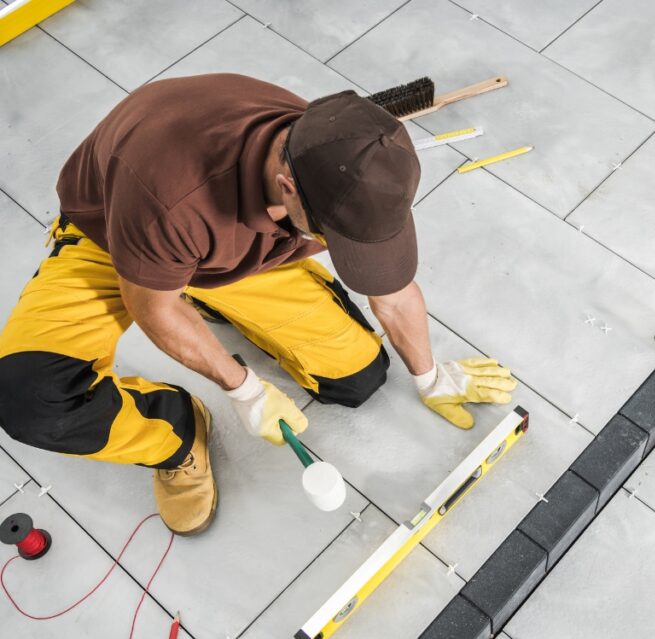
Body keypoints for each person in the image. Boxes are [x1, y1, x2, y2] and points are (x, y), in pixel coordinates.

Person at [0, 73, 516, 536]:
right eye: (334, 240)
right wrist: (243, 390)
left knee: (357, 379)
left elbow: (392, 290)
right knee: (33, 402)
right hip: (118, 241)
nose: (343, 252)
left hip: (236, 256)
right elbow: (153, 307)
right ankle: (174, 433)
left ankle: (211, 298)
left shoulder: (348, 159)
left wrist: (429, 376)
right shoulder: (170, 195)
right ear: (286, 187)